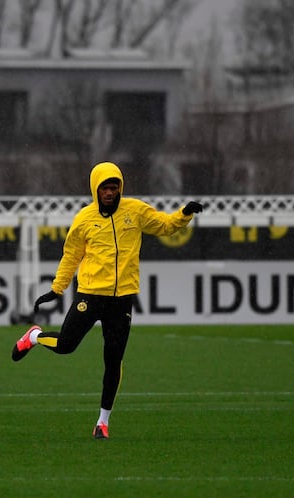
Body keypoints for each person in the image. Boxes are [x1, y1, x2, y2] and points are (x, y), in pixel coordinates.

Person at [11, 161, 203, 439]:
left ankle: (102, 422)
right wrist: (57, 288)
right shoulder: (84, 219)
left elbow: (164, 225)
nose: (110, 192)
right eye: (105, 188)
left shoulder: (135, 210)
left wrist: (184, 214)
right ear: (95, 189)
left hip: (121, 300)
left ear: (120, 188)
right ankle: (35, 336)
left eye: (114, 187)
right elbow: (71, 256)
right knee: (65, 345)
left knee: (113, 360)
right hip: (89, 295)